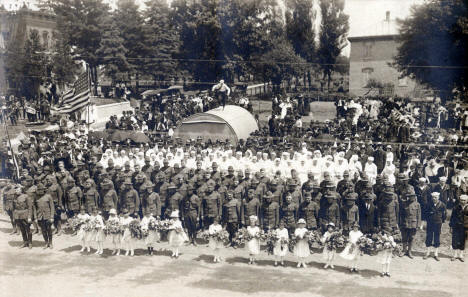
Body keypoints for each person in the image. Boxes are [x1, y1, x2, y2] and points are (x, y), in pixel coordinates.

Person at [423, 192, 446, 261]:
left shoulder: (442, 205)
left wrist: (442, 222)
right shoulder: (428, 204)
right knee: (429, 236)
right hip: (430, 223)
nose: (434, 198)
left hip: (438, 223)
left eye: (435, 197)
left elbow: (444, 215)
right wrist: (425, 221)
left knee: (437, 237)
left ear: (438, 197)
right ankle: (428, 253)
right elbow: (425, 213)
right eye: (433, 197)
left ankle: (436, 254)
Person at [399, 189, 421, 258]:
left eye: (413, 196)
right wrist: (400, 224)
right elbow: (401, 215)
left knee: (411, 237)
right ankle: (404, 250)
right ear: (408, 197)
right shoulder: (404, 203)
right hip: (405, 223)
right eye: (410, 196)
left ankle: (409, 251)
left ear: (415, 197)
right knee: (404, 237)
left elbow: (419, 215)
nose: (412, 197)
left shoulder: (417, 204)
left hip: (413, 224)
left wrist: (418, 225)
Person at [35, 183, 55, 249]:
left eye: (41, 190)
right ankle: (46, 242)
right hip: (40, 217)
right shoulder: (36, 197)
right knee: (43, 230)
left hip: (48, 216)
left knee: (49, 230)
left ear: (44, 190)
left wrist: (52, 216)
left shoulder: (48, 196)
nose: (40, 191)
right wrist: (35, 217)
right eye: (39, 190)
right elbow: (34, 208)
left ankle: (50, 242)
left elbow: (52, 207)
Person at [449, 194, 467, 262]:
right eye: (461, 200)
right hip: (456, 226)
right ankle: (455, 255)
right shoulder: (455, 208)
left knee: (463, 241)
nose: (463, 201)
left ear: (467, 201)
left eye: (464, 200)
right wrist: (451, 227)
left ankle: (461, 255)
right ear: (459, 200)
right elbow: (452, 218)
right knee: (455, 240)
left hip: (465, 227)